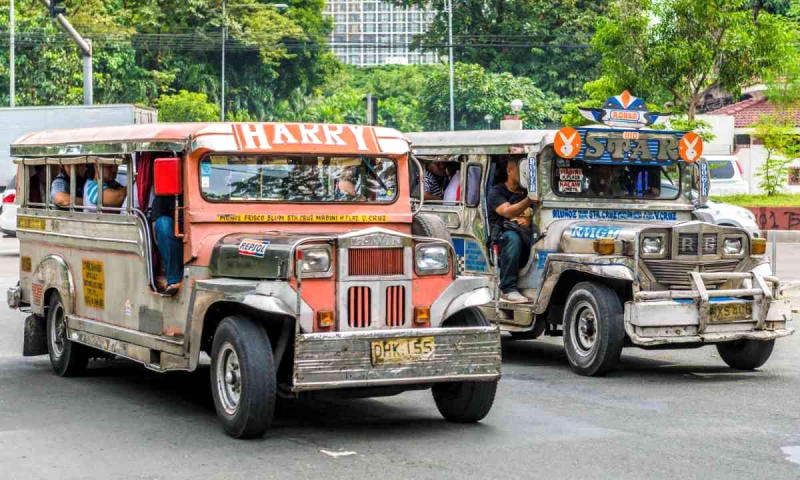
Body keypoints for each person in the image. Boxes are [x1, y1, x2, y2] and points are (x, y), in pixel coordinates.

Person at [487, 157, 537, 304]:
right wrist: (529, 199)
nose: (525, 173)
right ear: (509, 171)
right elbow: (507, 211)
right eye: (521, 169)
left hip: (527, 234)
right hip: (503, 237)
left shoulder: (526, 192)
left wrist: (529, 221)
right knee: (511, 238)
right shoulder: (496, 192)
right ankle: (508, 289)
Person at [150, 194, 183, 294]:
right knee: (163, 224)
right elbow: (157, 238)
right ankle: (174, 279)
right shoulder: (163, 198)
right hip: (175, 248)